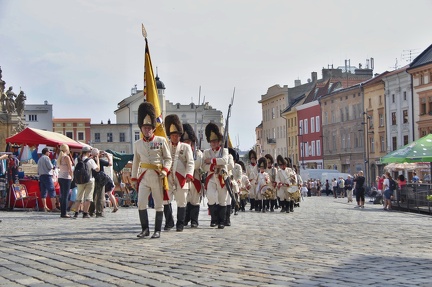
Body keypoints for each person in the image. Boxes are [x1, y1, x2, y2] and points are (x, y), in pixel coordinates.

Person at [131, 102, 172, 239]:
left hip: (157, 175)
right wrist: (134, 178)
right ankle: (145, 229)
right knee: (141, 202)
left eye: (149, 128)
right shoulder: (137, 144)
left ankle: (157, 230)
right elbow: (136, 161)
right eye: (144, 127)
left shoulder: (161, 141)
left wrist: (165, 171)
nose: (147, 130)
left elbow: (168, 158)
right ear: (141, 129)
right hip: (143, 176)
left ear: (153, 129)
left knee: (158, 203)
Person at [164, 114, 194, 232]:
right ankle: (169, 221)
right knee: (165, 200)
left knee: (181, 201)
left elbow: (190, 162)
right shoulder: (165, 145)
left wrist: (189, 174)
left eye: (177, 135)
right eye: (173, 135)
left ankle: (180, 223)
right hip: (168, 177)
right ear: (170, 136)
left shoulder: (185, 147)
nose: (175, 137)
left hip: (181, 178)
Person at [202, 122, 229, 229]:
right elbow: (204, 166)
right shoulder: (207, 152)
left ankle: (221, 221)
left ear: (219, 142)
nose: (213, 143)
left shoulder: (224, 151)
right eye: (211, 141)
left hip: (222, 177)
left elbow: (224, 160)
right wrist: (212, 167)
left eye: (215, 141)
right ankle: (214, 219)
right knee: (211, 197)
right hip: (211, 177)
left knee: (222, 199)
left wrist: (212, 160)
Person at [181, 123, 203, 228]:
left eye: (189, 142)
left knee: (195, 200)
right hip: (184, 179)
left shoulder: (197, 153)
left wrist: (188, 164)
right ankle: (185, 219)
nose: (187, 144)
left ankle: (194, 220)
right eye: (185, 142)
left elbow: (197, 164)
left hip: (195, 179)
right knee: (185, 199)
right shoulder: (180, 153)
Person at [71, 146, 100, 218]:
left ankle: (76, 213)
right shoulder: (90, 161)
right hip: (89, 180)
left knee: (78, 197)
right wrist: (98, 160)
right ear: (88, 153)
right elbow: (97, 169)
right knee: (88, 197)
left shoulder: (77, 159)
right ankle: (85, 213)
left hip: (79, 181)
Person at [88, 148, 112, 218]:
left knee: (92, 196)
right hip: (100, 180)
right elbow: (110, 164)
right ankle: (99, 212)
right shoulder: (100, 161)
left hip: (92, 179)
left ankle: (91, 211)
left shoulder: (90, 160)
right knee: (100, 196)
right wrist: (107, 156)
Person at [37, 148, 59, 212]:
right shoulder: (46, 158)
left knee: (43, 192)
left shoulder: (40, 159)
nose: (49, 153)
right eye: (49, 152)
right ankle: (54, 207)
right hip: (47, 175)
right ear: (46, 152)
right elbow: (50, 166)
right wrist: (54, 166)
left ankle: (45, 207)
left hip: (41, 176)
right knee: (52, 191)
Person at [57, 144, 73, 218]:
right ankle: (64, 212)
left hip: (60, 177)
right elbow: (70, 169)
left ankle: (62, 212)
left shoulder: (60, 157)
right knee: (65, 196)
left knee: (62, 195)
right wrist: (72, 177)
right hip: (66, 177)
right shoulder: (67, 157)